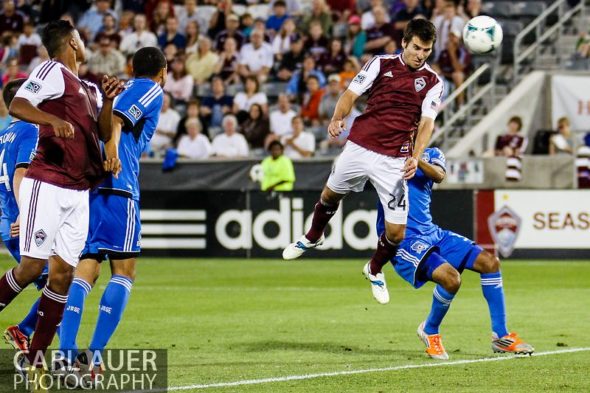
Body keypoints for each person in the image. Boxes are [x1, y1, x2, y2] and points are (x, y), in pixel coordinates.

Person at [282, 19, 443, 308]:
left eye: (427, 50)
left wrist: (416, 156)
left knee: (396, 233)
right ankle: (312, 236)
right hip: (359, 147)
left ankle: (374, 269)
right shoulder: (380, 63)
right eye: (417, 48)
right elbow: (351, 94)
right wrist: (337, 118)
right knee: (330, 195)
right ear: (404, 43)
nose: (421, 54)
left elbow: (427, 123)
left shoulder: (433, 82)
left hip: (394, 159)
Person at [3, 20, 123, 385]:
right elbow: (20, 105)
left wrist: (110, 101)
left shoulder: (88, 87)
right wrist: (53, 120)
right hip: (48, 183)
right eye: (82, 38)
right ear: (72, 41)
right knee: (30, 268)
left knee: (63, 276)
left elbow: (102, 132)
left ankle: (36, 359)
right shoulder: (52, 70)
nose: (84, 43)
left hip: (79, 191)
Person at [57, 47, 167, 383]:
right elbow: (118, 120)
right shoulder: (150, 88)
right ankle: (93, 358)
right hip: (119, 187)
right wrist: (114, 151)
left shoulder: (116, 90)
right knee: (124, 271)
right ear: (162, 71)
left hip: (90, 190)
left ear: (131, 66)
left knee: (85, 271)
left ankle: (65, 355)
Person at [375, 147, 534, 359]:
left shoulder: (431, 153)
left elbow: (439, 175)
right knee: (451, 279)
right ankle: (430, 330)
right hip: (404, 240)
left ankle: (500, 336)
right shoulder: (386, 151)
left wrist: (415, 158)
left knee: (490, 262)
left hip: (432, 232)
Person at [0, 79, 47, 356]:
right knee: (65, 283)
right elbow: (20, 174)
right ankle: (30, 334)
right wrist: (26, 214)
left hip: (9, 221)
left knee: (57, 284)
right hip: (23, 222)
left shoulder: (3, 136)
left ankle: (26, 332)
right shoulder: (30, 129)